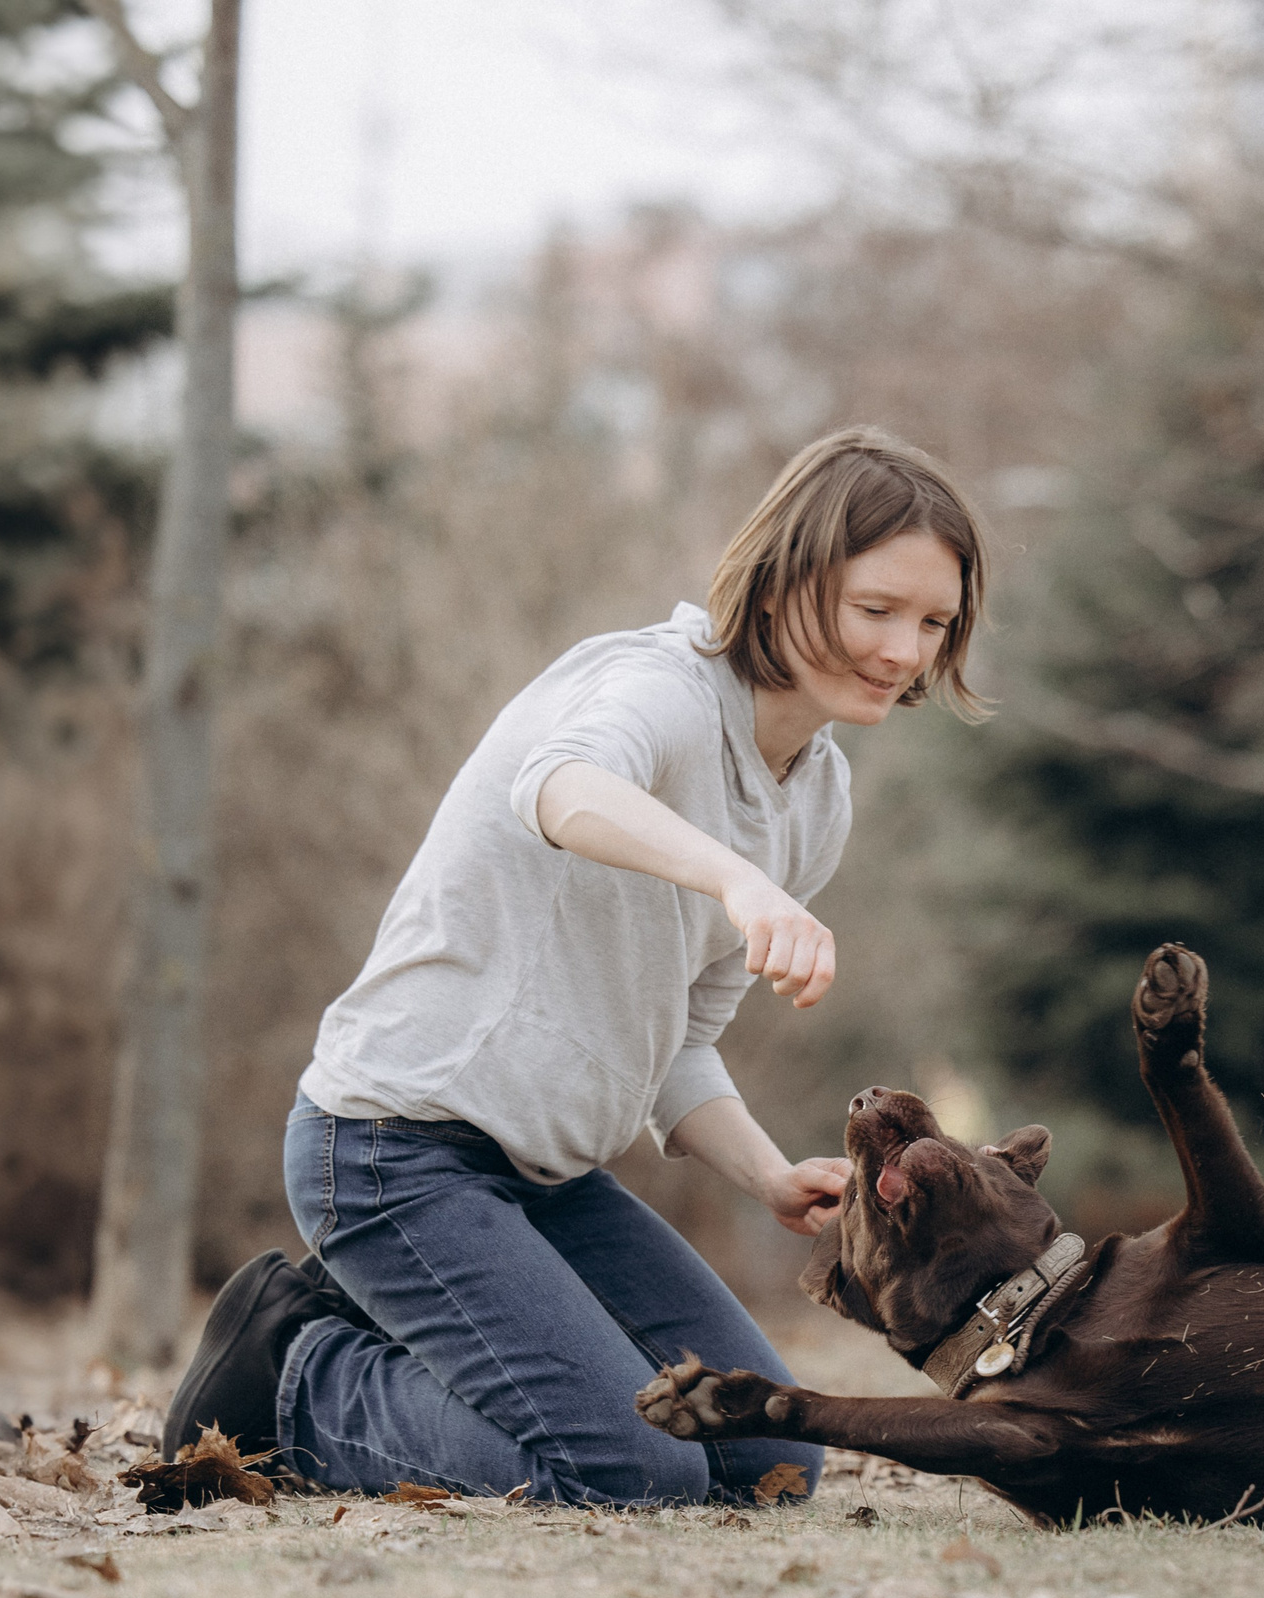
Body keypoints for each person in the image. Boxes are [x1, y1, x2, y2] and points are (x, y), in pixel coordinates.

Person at [162, 427, 987, 1506]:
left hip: (544, 1180)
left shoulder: (815, 797)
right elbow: (559, 786)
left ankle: (435, 1339)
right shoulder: (659, 688)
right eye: (875, 609)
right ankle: (295, 1382)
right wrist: (735, 881)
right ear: (786, 582)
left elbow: (679, 1042)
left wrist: (768, 1175)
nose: (903, 650)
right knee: (629, 1470)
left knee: (767, 1456)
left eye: (933, 622)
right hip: (387, 1151)